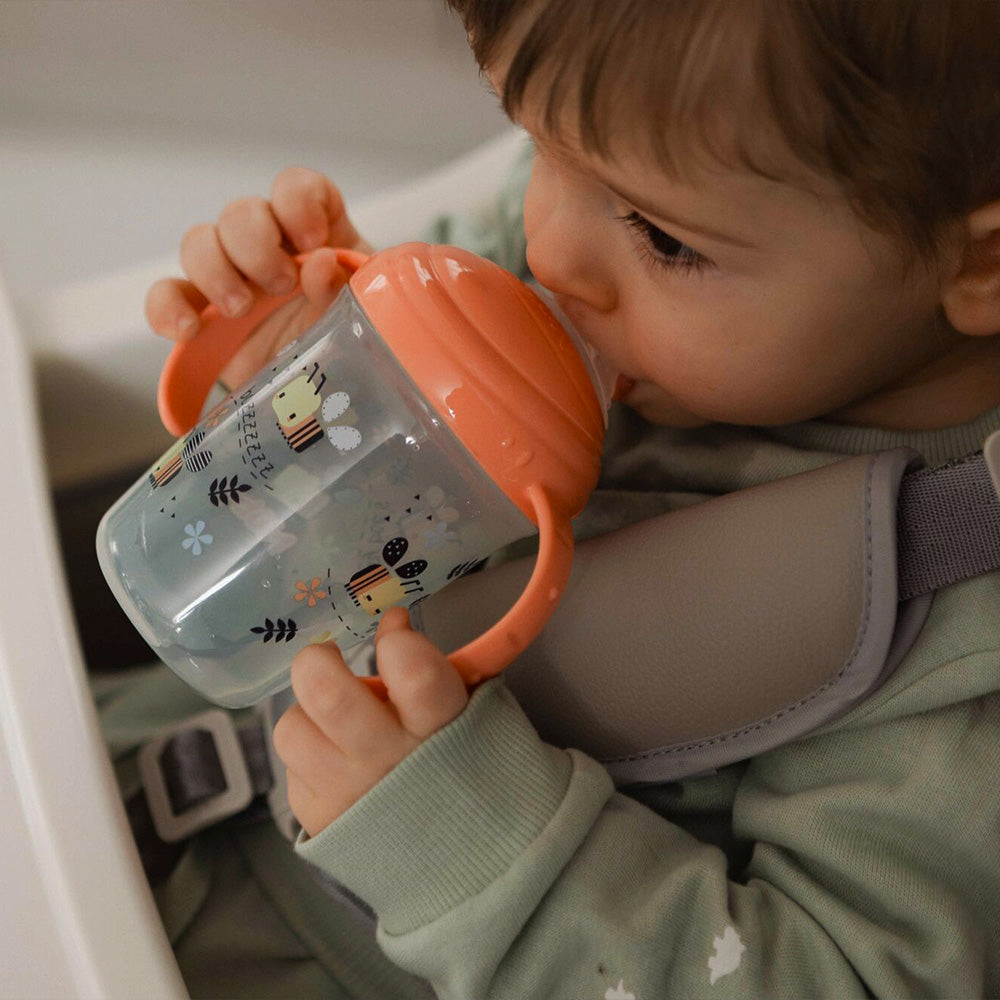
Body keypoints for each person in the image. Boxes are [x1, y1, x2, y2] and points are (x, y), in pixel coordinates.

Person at [136, 0, 1000, 995]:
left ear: (977, 258)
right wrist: (323, 364)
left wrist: (474, 849)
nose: (545, 247)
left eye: (662, 238)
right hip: (163, 731)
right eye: (531, 144)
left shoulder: (955, 658)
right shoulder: (639, 200)